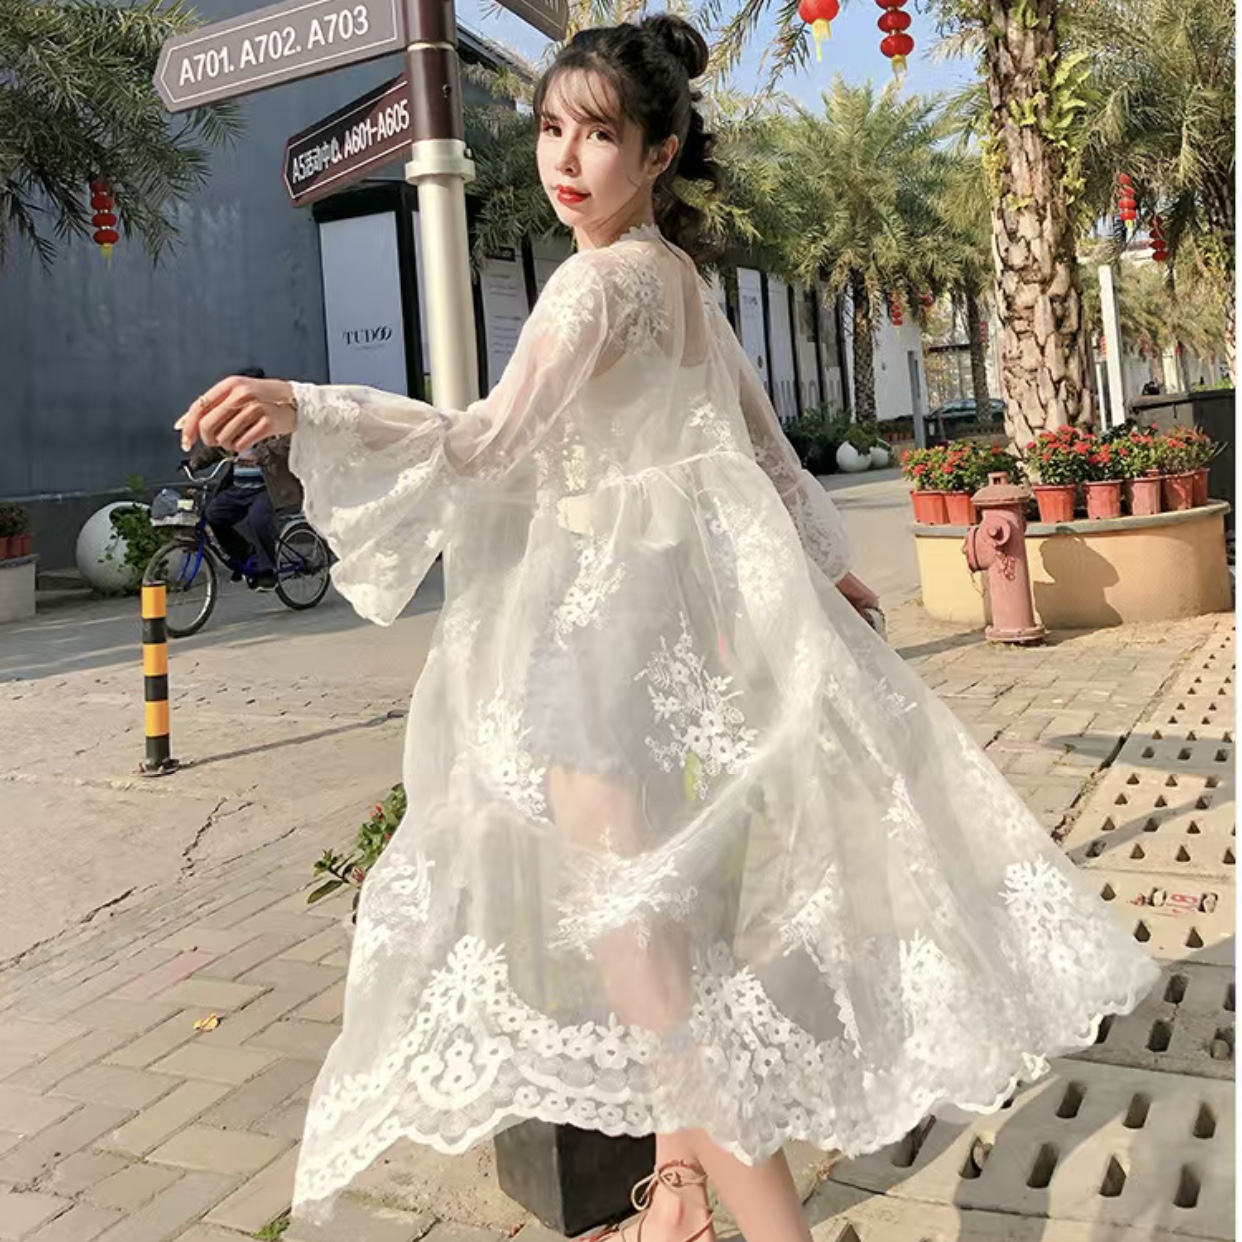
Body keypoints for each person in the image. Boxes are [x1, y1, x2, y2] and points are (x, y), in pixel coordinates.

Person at [177, 17, 1159, 1241]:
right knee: (672, 947)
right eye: (551, 127)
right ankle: (680, 1203)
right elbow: (763, 451)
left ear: (658, 153)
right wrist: (828, 581)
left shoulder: (595, 285)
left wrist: (307, 403)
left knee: (661, 987)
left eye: (599, 134)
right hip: (665, 667)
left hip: (596, 676)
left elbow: (482, 445)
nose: (565, 157)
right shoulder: (680, 282)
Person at [192, 367, 303, 589]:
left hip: (267, 488)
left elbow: (288, 442)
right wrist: (196, 462)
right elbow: (218, 446)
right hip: (240, 488)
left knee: (258, 518)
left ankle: (268, 571)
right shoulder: (237, 419)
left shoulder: (276, 413)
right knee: (214, 515)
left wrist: (261, 454)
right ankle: (245, 554)